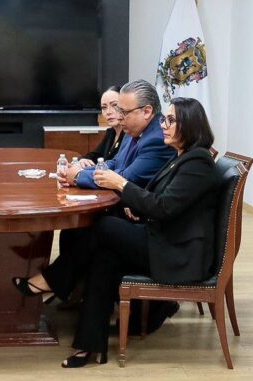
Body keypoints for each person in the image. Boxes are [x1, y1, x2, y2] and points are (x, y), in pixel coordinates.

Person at [17, 97, 221, 367]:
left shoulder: (198, 162)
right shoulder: (182, 157)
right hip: (165, 239)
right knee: (105, 256)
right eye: (164, 119)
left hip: (178, 253)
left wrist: (121, 185)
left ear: (190, 125)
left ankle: (54, 279)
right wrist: (138, 209)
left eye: (171, 120)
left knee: (102, 226)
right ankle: (91, 346)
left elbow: (164, 207)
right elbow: (168, 203)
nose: (163, 125)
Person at [62, 79, 175, 190]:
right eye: (119, 111)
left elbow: (124, 179)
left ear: (146, 111)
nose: (120, 117)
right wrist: (78, 171)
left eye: (124, 112)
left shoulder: (159, 139)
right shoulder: (132, 130)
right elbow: (116, 163)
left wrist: (78, 176)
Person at [78, 85, 124, 167]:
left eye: (114, 105)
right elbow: (96, 155)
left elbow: (116, 165)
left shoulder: (130, 135)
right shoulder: (111, 132)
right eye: (104, 107)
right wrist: (83, 160)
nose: (108, 112)